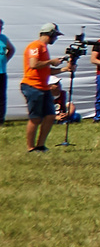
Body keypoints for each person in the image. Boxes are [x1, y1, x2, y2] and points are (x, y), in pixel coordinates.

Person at [21, 24, 60, 152]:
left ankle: (40, 145)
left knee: (50, 116)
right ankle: (30, 147)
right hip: (32, 86)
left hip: (44, 87)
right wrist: (51, 61)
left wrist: (64, 69)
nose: (56, 39)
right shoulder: (35, 46)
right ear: (50, 34)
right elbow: (34, 64)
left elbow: (46, 70)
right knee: (35, 118)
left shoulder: (44, 48)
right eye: (55, 36)